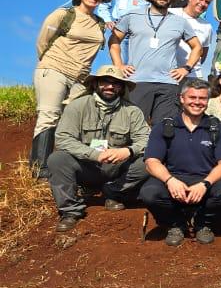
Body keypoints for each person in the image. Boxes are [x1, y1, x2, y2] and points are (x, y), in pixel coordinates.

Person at [46, 65, 150, 232]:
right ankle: (70, 211)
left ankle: (114, 193)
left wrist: (127, 151)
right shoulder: (77, 106)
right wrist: (93, 154)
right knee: (57, 159)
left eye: (116, 83)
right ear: (95, 84)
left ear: (122, 87)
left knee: (149, 161)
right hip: (86, 166)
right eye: (105, 82)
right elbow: (63, 138)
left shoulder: (132, 111)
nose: (110, 86)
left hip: (118, 169)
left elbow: (146, 139)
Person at [139, 78, 221, 246]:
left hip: (206, 179)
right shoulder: (164, 126)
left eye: (202, 98)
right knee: (149, 193)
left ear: (207, 100)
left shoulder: (218, 128)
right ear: (182, 99)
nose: (197, 102)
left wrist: (205, 183)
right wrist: (170, 181)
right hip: (175, 178)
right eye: (192, 97)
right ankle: (176, 223)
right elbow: (151, 162)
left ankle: (202, 223)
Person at [32, 0, 112, 177]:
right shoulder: (63, 14)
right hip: (54, 69)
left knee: (78, 119)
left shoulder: (100, 23)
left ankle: (73, 167)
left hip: (80, 78)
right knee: (49, 116)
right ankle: (39, 168)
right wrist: (49, 64)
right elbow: (43, 41)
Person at [109, 0, 203, 125]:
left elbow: (197, 47)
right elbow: (114, 41)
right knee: (132, 126)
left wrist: (186, 68)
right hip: (137, 81)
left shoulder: (180, 21)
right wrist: (119, 65)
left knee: (164, 129)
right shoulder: (132, 16)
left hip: (168, 83)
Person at [176, 0, 217, 81]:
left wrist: (189, 67)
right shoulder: (172, 13)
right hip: (169, 73)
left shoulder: (207, 26)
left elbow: (203, 54)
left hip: (193, 76)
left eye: (207, 2)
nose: (203, 4)